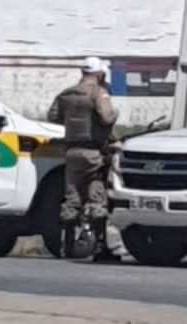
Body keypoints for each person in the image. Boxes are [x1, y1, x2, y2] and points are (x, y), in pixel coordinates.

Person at [48, 56, 119, 259]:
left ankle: (67, 246)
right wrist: (116, 113)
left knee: (72, 198)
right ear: (100, 74)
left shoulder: (66, 94)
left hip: (71, 152)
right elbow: (106, 118)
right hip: (94, 153)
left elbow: (53, 117)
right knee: (97, 198)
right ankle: (100, 248)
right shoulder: (99, 94)